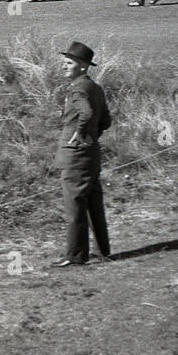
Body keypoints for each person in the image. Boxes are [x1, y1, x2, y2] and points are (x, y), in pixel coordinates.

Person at [53, 41, 112, 268]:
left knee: (74, 205)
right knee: (93, 202)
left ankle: (75, 256)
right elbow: (106, 120)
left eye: (69, 63)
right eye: (64, 63)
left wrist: (79, 134)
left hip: (75, 157)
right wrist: (91, 137)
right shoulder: (95, 88)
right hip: (92, 155)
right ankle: (102, 251)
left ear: (83, 67)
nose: (64, 67)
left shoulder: (77, 89)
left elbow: (86, 113)